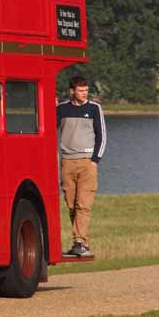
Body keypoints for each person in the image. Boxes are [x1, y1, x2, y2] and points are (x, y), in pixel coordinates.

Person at [56, 76, 106, 257]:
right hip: (67, 162)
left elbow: (102, 136)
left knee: (83, 205)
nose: (85, 94)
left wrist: (94, 160)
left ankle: (80, 241)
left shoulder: (94, 108)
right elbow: (49, 130)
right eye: (81, 90)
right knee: (71, 205)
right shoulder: (61, 109)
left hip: (87, 163)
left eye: (86, 90)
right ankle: (79, 242)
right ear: (72, 91)